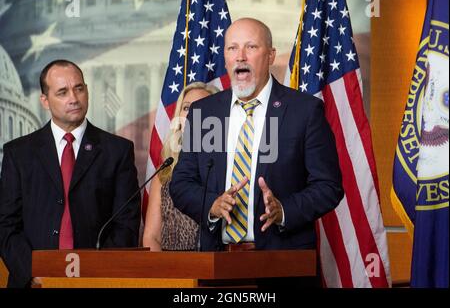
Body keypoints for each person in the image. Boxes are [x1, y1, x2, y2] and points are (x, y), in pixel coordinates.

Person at [170, 18, 344, 253]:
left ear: (271, 55)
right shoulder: (204, 113)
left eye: (251, 47)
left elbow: (328, 186)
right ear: (226, 57)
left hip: (282, 262)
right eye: (233, 48)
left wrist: (284, 210)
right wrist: (211, 205)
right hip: (217, 263)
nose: (240, 56)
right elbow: (181, 183)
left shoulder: (304, 111)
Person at [0, 60, 141, 288]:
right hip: (33, 282)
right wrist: (33, 273)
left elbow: (126, 224)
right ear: (45, 101)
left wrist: (97, 274)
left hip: (97, 281)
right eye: (62, 92)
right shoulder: (19, 153)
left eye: (79, 88)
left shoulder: (117, 151)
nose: (74, 99)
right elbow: (6, 225)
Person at [142, 82, 219, 251]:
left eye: (200, 107)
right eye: (186, 108)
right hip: (173, 271)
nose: (191, 114)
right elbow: (151, 237)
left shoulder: (229, 166)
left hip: (216, 267)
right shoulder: (166, 170)